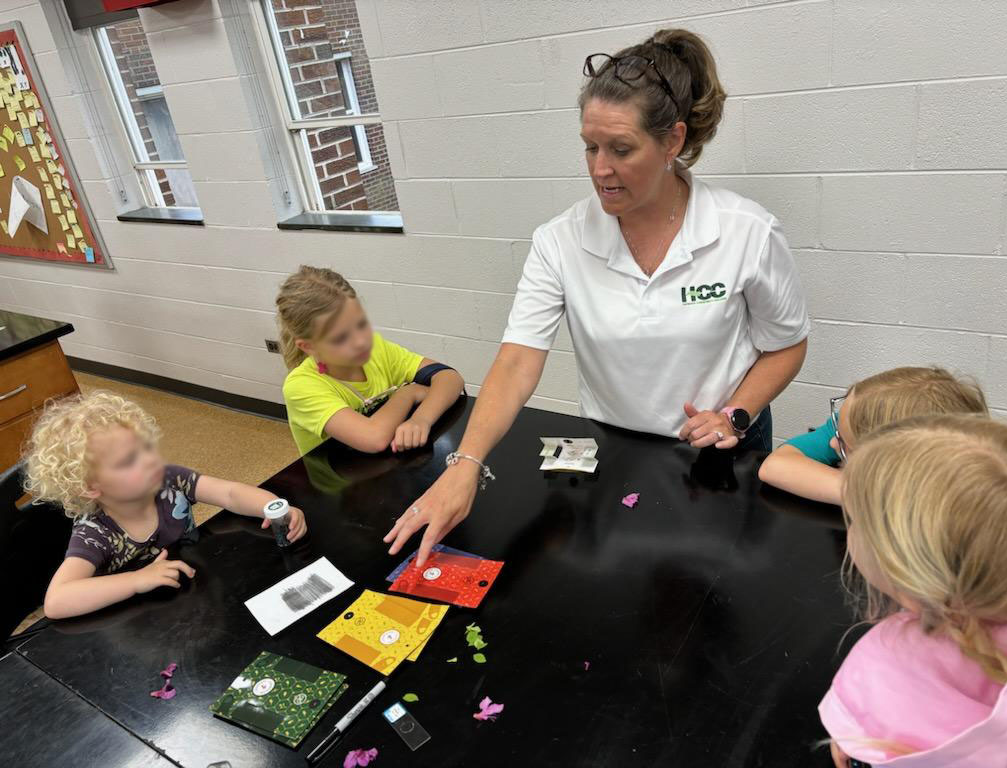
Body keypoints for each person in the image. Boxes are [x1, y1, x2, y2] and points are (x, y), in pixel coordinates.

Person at [386, 28, 809, 565]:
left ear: (673, 142)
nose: (599, 169)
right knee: (621, 585)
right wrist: (465, 463)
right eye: (590, 146)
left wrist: (735, 415)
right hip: (618, 452)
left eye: (621, 149)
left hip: (723, 455)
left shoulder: (746, 231)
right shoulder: (560, 241)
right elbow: (517, 360)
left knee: (712, 592)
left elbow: (787, 345)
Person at [821, 414, 1007, 767]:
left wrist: (858, 747)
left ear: (902, 566)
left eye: (855, 520)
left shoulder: (894, 660)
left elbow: (861, 745)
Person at [25, 392, 308, 619]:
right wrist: (137, 580)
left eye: (146, 448)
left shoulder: (168, 479)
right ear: (90, 487)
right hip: (140, 618)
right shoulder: (94, 533)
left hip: (188, 589)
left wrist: (274, 506)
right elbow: (57, 601)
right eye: (128, 460)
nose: (150, 460)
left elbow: (229, 493)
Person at [277, 265, 464, 455]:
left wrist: (421, 419)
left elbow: (449, 377)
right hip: (338, 479)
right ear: (308, 347)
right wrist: (408, 393)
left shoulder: (376, 348)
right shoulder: (300, 386)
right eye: (341, 338)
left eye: (361, 324)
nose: (360, 341)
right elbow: (374, 439)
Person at [758, 367, 988, 504]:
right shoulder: (851, 423)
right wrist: (871, 493)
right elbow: (776, 466)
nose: (831, 442)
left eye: (845, 444)